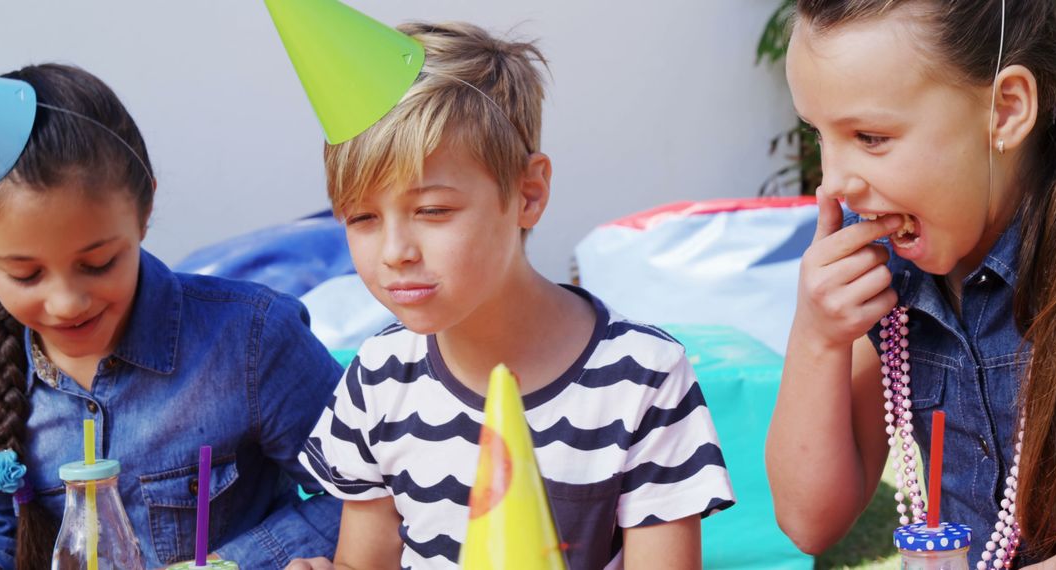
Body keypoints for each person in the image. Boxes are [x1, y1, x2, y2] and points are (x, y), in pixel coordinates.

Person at [285, 22, 734, 570]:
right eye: (363, 217)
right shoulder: (377, 377)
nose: (395, 250)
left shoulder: (643, 378)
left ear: (528, 193)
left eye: (433, 210)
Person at [766, 1, 1056, 568]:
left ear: (1005, 110)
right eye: (819, 135)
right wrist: (818, 338)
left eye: (870, 136)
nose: (835, 182)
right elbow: (810, 521)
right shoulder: (889, 273)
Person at [0, 63, 343, 569]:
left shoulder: (253, 340)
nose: (67, 302)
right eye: (26, 275)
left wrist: (235, 562)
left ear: (145, 208)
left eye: (98, 263)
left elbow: (371, 491)